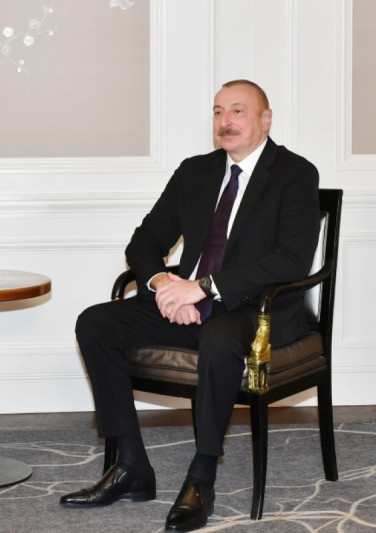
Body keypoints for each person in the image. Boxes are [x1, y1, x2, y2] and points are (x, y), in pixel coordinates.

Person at [60, 80, 320, 531]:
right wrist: (165, 286)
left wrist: (203, 287)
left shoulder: (294, 173)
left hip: (257, 309)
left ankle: (201, 477)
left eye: (237, 111)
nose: (225, 121)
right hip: (188, 301)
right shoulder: (195, 171)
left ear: (266, 119)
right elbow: (144, 242)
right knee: (96, 323)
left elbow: (291, 259)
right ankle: (131, 466)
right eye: (218, 112)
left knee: (219, 337)